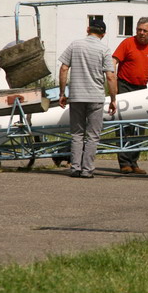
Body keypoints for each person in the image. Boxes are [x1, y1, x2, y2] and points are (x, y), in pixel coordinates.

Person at [58, 19, 117, 178]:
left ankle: (75, 168)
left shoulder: (74, 45)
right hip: (95, 97)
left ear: (87, 29)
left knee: (77, 134)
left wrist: (62, 93)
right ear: (103, 34)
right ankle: (87, 170)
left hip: (76, 96)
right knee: (92, 135)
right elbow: (110, 76)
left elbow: (64, 68)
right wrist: (113, 99)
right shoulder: (104, 49)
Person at [113, 17, 148, 174]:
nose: (141, 33)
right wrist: (113, 84)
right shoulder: (127, 43)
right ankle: (124, 163)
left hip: (142, 89)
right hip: (124, 86)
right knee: (124, 125)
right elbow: (113, 61)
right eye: (139, 30)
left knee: (140, 126)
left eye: (145, 31)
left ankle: (134, 162)